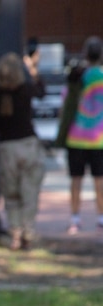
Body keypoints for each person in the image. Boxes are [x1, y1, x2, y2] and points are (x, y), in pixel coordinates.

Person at [0, 52, 46, 250]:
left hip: (7, 148)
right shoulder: (25, 89)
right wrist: (33, 68)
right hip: (28, 144)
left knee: (11, 196)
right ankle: (28, 232)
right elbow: (42, 91)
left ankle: (15, 234)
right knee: (29, 193)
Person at [64, 36, 103, 235]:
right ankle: (100, 218)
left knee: (76, 180)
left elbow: (67, 102)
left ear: (85, 54)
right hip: (99, 139)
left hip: (77, 136)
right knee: (100, 180)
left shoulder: (78, 77)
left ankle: (75, 218)